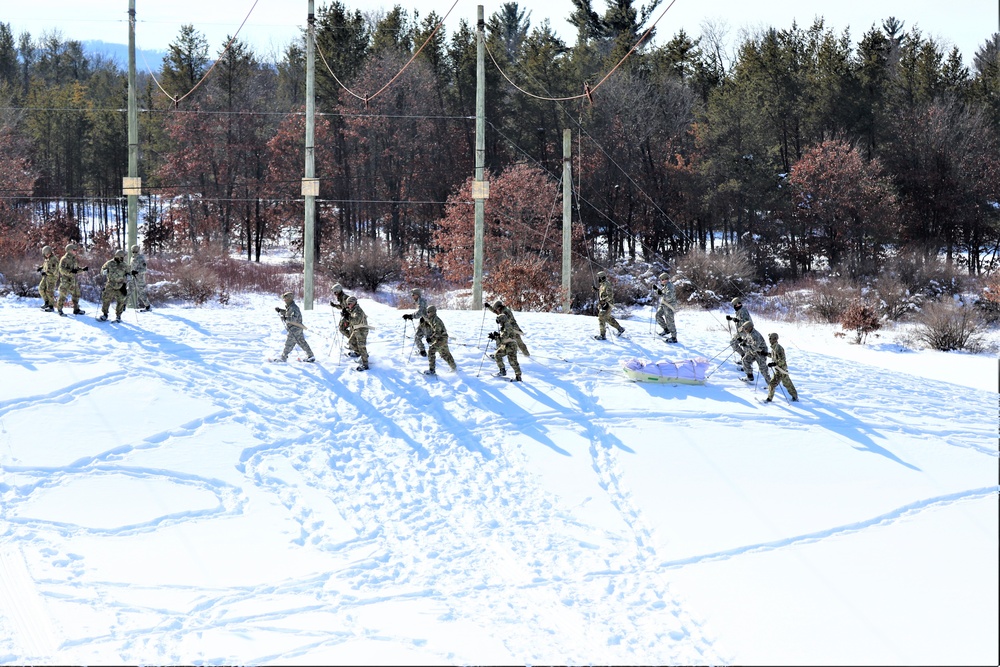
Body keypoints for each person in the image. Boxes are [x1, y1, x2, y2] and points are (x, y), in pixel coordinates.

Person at [274, 291, 315, 362]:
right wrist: (280, 310)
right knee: (301, 342)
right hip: (297, 328)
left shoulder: (294, 307)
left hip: (295, 328)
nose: (284, 300)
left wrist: (285, 318)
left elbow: (294, 318)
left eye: (285, 298)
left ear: (289, 299)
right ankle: (311, 356)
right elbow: (288, 313)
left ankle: (283, 357)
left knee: (289, 343)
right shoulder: (290, 307)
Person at [421, 305, 457, 375]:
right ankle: (454, 368)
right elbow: (429, 320)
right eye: (427, 312)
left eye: (428, 312)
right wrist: (424, 319)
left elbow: (437, 333)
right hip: (442, 338)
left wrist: (430, 339)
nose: (427, 313)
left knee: (431, 351)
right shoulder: (432, 318)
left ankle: (432, 370)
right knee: (445, 354)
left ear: (432, 312)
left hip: (441, 339)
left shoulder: (436, 321)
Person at [488, 311, 522, 381]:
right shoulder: (505, 326)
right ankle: (502, 371)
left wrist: (496, 337)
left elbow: (503, 338)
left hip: (511, 346)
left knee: (513, 362)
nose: (499, 323)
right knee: (497, 355)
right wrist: (497, 336)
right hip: (506, 346)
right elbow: (503, 338)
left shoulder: (507, 326)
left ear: (502, 320)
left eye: (499, 321)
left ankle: (518, 377)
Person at [56, 242, 88, 316]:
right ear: (69, 250)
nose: (75, 251)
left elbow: (76, 269)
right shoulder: (64, 259)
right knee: (63, 295)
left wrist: (83, 269)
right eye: (74, 250)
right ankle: (59, 310)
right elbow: (61, 270)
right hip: (66, 281)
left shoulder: (74, 259)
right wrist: (70, 271)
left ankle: (76, 309)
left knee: (76, 294)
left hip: (73, 280)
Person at [765, 332, 799, 402]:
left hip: (781, 370)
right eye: (769, 338)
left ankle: (769, 399)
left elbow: (782, 360)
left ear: (774, 339)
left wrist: (774, 363)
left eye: (770, 338)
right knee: (787, 384)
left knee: (774, 384)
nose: (769, 340)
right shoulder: (774, 347)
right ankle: (794, 396)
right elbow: (773, 356)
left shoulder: (779, 348)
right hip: (779, 370)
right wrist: (765, 354)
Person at [98, 249, 129, 322]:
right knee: (106, 298)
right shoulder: (109, 263)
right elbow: (102, 270)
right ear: (118, 256)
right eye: (122, 257)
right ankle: (105, 314)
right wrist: (104, 271)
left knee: (121, 300)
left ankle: (118, 316)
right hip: (110, 284)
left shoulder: (125, 265)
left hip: (120, 285)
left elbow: (129, 272)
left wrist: (128, 275)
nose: (123, 258)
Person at [593, 270, 624, 340]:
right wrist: (597, 290)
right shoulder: (603, 284)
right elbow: (603, 292)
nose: (598, 279)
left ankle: (602, 335)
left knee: (601, 318)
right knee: (607, 318)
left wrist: (604, 301)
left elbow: (610, 296)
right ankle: (620, 329)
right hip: (605, 303)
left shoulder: (607, 284)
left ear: (602, 278)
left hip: (607, 304)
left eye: (599, 278)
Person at [401, 287, 431, 357]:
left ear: (417, 295)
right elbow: (422, 313)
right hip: (423, 322)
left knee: (430, 340)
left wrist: (410, 316)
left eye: (413, 294)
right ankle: (422, 352)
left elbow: (419, 312)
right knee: (417, 337)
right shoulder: (419, 301)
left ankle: (442, 353)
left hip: (428, 324)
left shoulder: (421, 301)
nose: (412, 296)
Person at [345, 295, 369, 371]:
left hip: (362, 330)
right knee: (351, 342)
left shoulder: (358, 311)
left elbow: (355, 321)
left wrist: (347, 317)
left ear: (353, 303)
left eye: (349, 304)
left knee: (361, 346)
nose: (348, 306)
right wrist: (346, 312)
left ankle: (365, 364)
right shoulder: (353, 309)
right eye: (347, 304)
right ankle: (359, 354)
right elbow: (351, 315)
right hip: (357, 329)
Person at [653, 272, 678, 343]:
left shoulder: (670, 286)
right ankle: (666, 329)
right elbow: (662, 294)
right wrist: (657, 290)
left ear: (665, 279)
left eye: (662, 279)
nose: (661, 281)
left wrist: (661, 293)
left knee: (670, 321)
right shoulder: (665, 286)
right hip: (664, 305)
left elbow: (669, 297)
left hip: (669, 306)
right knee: (658, 316)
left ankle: (674, 337)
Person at [37, 245, 60, 312]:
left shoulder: (54, 260)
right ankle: (46, 302)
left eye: (48, 253)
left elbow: (53, 271)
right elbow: (45, 265)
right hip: (46, 276)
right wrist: (41, 267)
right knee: (41, 288)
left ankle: (51, 306)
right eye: (45, 254)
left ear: (50, 252)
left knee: (49, 291)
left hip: (52, 277)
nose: (47, 255)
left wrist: (46, 273)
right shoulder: (47, 258)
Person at [129, 244, 151, 311]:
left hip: (140, 279)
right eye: (133, 250)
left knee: (141, 293)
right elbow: (131, 267)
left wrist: (137, 272)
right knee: (128, 290)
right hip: (132, 277)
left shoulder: (141, 258)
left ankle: (147, 306)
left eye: (134, 250)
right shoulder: (132, 258)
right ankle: (122, 306)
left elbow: (144, 270)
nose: (133, 252)